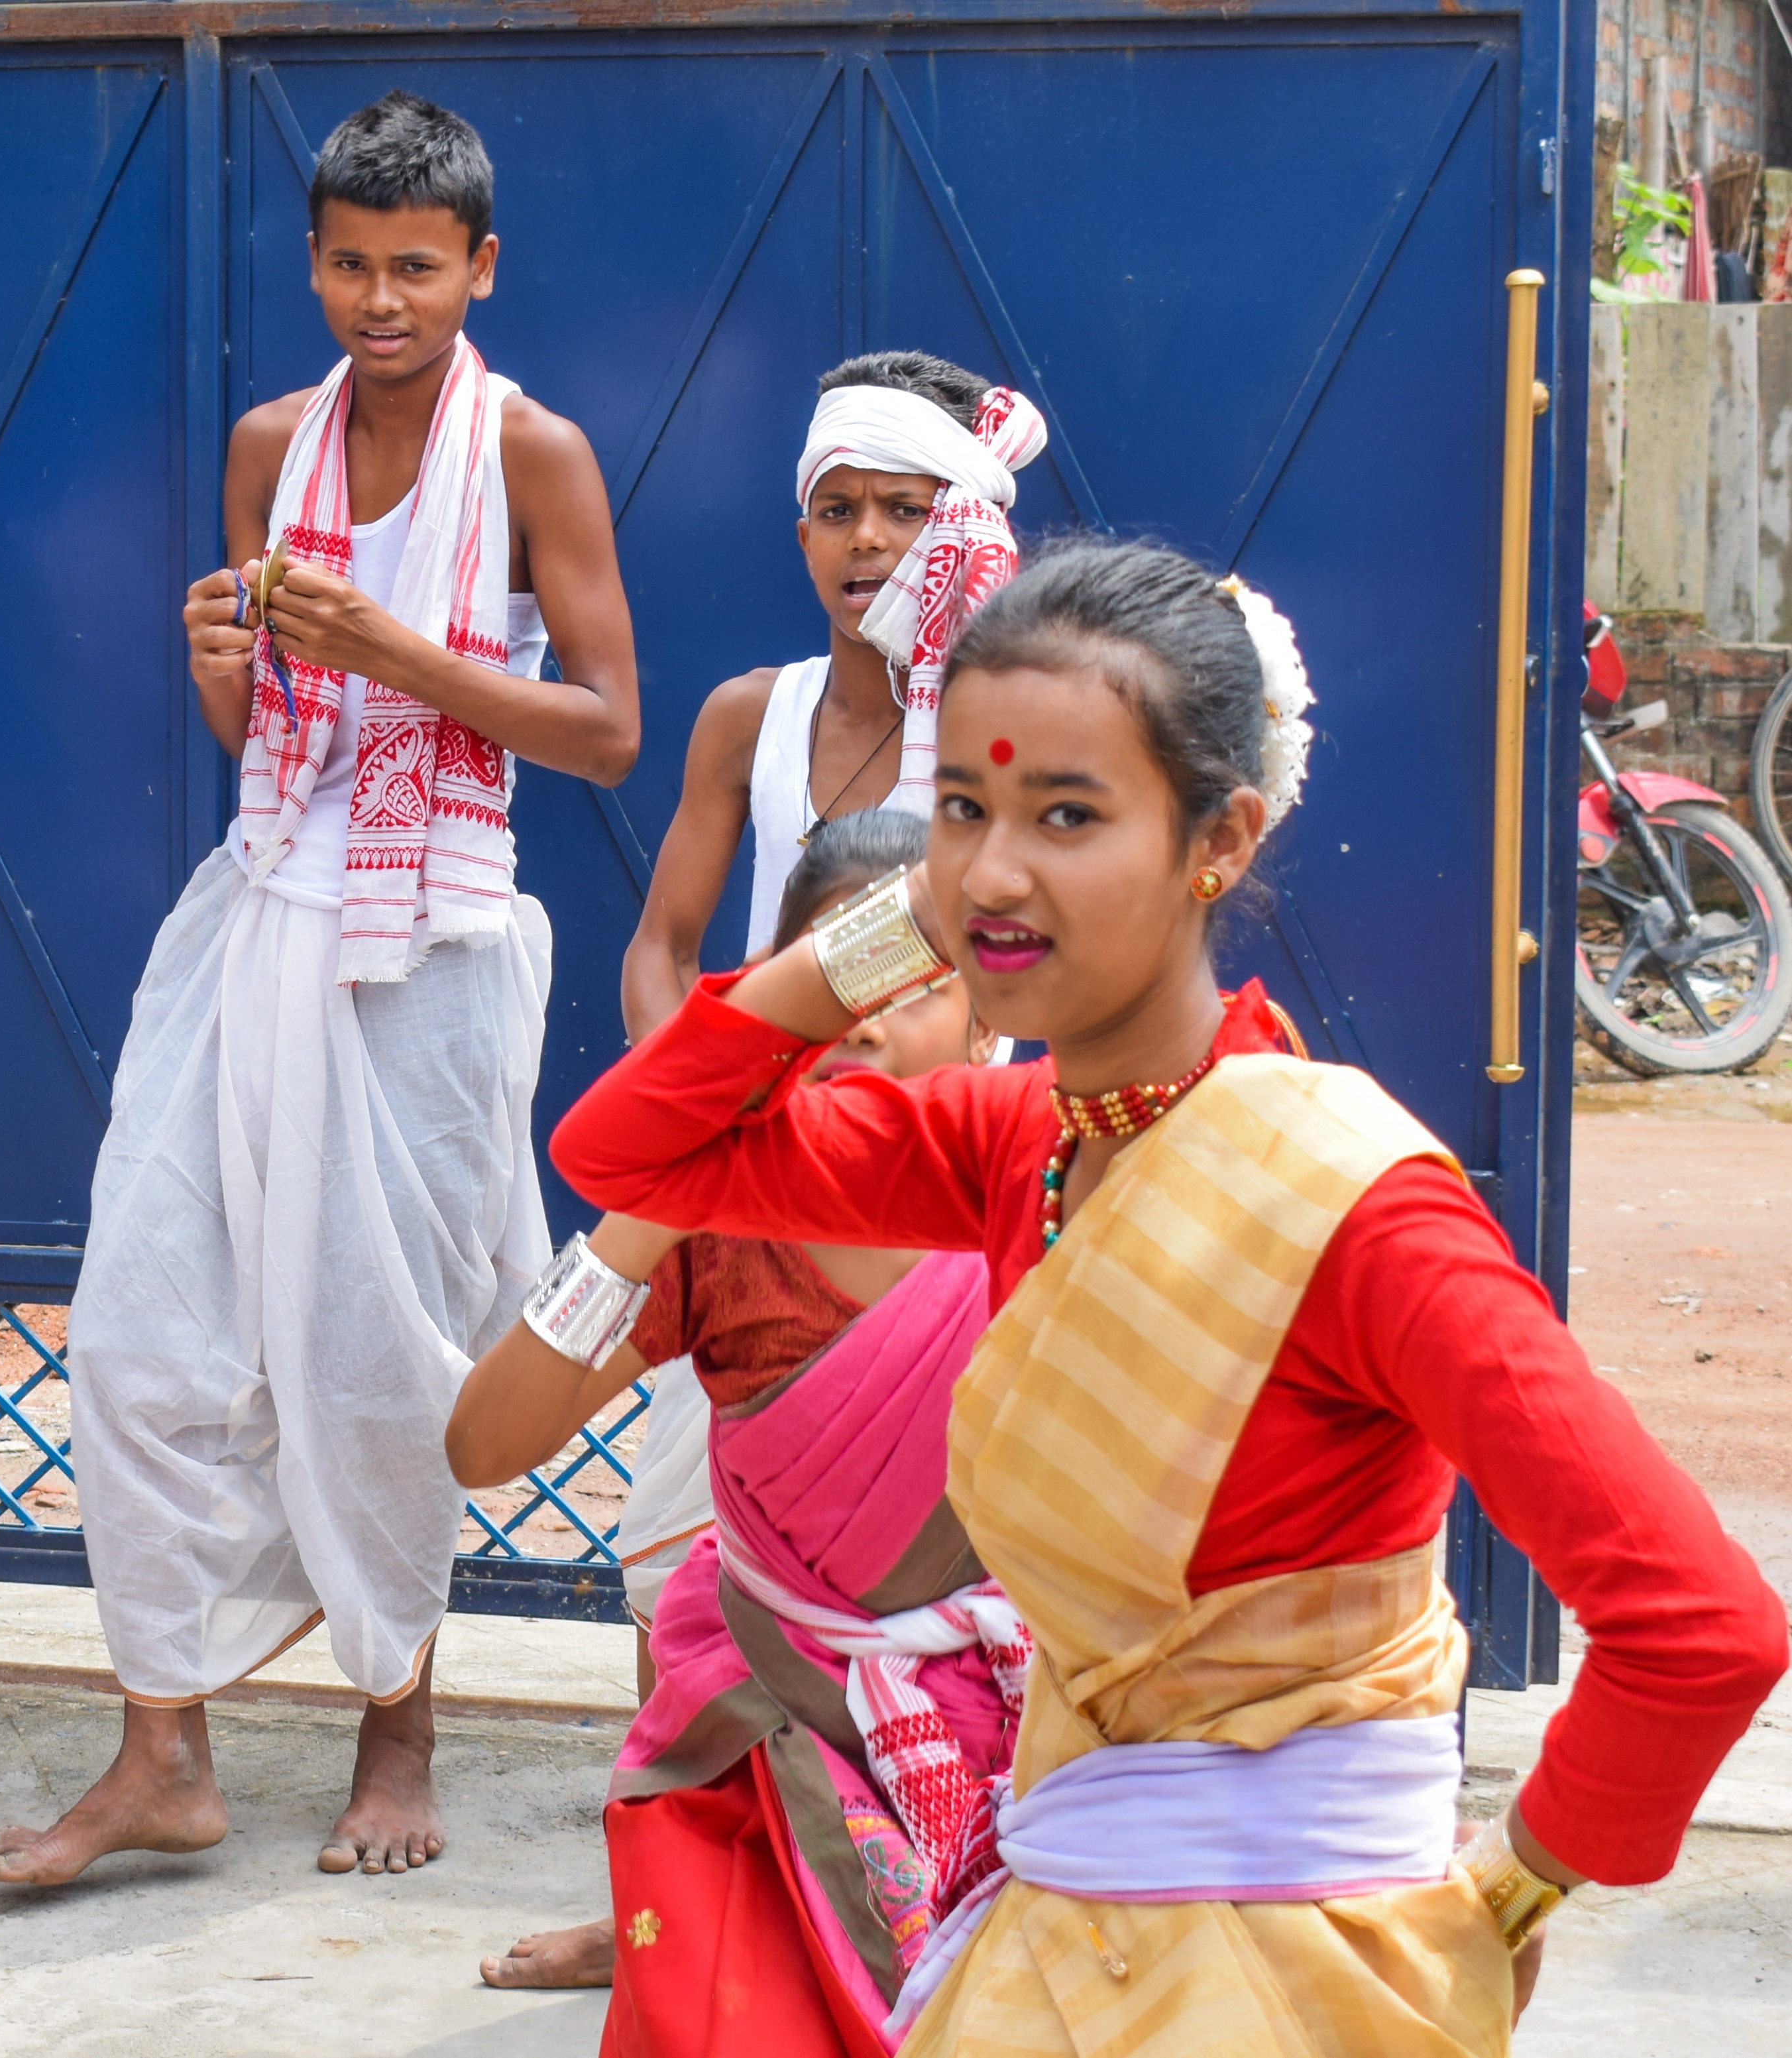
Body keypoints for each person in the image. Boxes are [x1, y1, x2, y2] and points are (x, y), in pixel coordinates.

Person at [550, 539, 1788, 2049]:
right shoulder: (1017, 1146)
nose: (996, 868)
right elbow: (630, 1143)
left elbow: (1698, 1626)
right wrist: (895, 921)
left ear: (1219, 838)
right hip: (1056, 1925)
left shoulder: (1356, 1211)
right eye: (961, 807)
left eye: (1065, 814)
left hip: (1289, 1973)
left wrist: (1509, 1890)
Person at [0, 88, 639, 1888]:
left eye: (415, 267)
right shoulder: (276, 442)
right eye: (348, 263)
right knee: (139, 1324)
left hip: (437, 945)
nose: (379, 299)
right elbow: (263, 737)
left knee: (388, 1343)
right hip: (265, 906)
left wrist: (405, 652)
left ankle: (397, 1735)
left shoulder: (535, 457)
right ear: (314, 260)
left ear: (479, 266)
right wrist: (227, 663)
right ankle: (162, 1750)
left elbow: (604, 729)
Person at [451, 811, 1017, 2046]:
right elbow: (481, 1447)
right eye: (835, 982)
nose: (862, 1021)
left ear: (988, 1024)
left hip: (1014, 1721)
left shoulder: (1044, 1202)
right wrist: (650, 1208)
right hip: (768, 1709)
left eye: (912, 987)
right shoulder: (718, 1233)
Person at [600, 353, 1047, 1638]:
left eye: (907, 510)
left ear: (964, 526)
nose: (869, 541)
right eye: (839, 508)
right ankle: (682, 1816)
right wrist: (694, 1117)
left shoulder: (1009, 734)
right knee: (680, 1567)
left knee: (949, 1574)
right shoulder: (754, 713)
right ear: (801, 531)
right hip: (761, 1176)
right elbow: (663, 946)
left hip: (951, 1200)